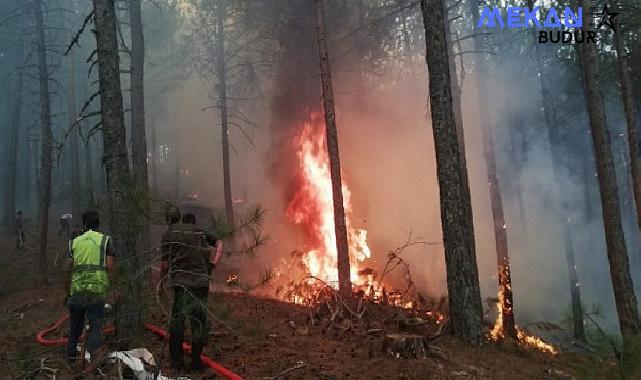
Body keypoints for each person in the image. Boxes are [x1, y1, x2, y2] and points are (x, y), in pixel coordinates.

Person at [160, 207, 222, 371]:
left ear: (167, 220)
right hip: (201, 283)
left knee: (178, 322)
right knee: (199, 322)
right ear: (179, 217)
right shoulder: (197, 231)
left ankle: (177, 362)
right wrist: (213, 264)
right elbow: (219, 243)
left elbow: (165, 264)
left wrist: (161, 283)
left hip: (182, 285)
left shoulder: (168, 235)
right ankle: (196, 360)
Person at [64, 210, 115, 363]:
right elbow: (110, 266)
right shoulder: (106, 240)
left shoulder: (74, 242)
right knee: (95, 326)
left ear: (85, 224)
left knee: (74, 328)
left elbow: (67, 268)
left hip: (77, 290)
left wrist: (67, 292)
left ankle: (71, 359)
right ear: (98, 224)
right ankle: (95, 362)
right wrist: (112, 288)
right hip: (96, 291)